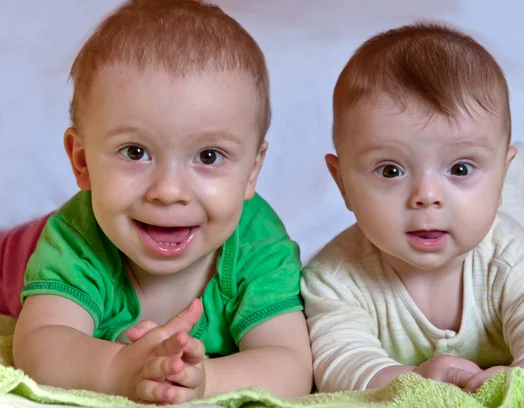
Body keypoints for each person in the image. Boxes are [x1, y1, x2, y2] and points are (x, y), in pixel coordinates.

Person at [9, 0, 312, 403]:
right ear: (81, 161)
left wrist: (204, 379)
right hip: (18, 253)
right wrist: (119, 370)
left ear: (252, 172)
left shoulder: (259, 244)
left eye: (208, 157)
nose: (169, 191)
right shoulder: (73, 240)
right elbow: (39, 346)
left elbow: (290, 363)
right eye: (135, 152)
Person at [301, 23, 524, 394]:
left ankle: (510, 187)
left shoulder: (516, 259)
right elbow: (340, 361)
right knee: (474, 207)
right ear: (342, 183)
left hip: (508, 235)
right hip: (476, 212)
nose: (426, 196)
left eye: (459, 168)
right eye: (391, 170)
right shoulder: (333, 279)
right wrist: (412, 383)